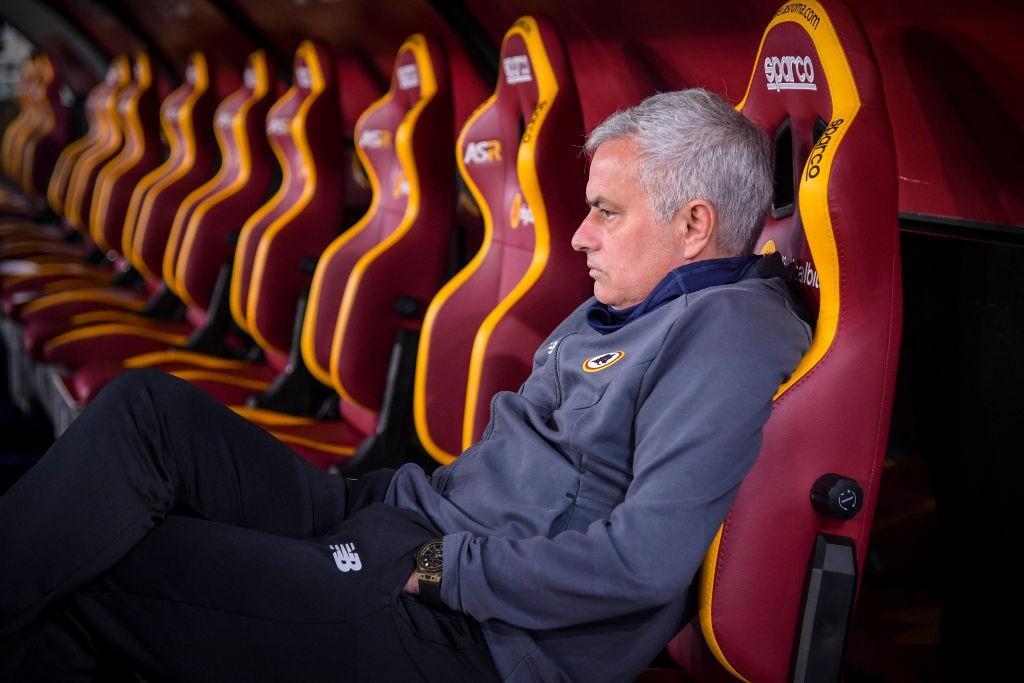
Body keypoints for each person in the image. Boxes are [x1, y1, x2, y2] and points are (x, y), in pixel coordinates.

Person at [0, 89, 811, 682]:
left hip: (461, 631)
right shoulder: (634, 295)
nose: (579, 234)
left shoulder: (727, 332)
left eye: (606, 212)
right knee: (149, 411)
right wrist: (411, 529)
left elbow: (641, 563)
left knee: (103, 573)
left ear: (695, 223)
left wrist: (439, 564)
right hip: (401, 514)